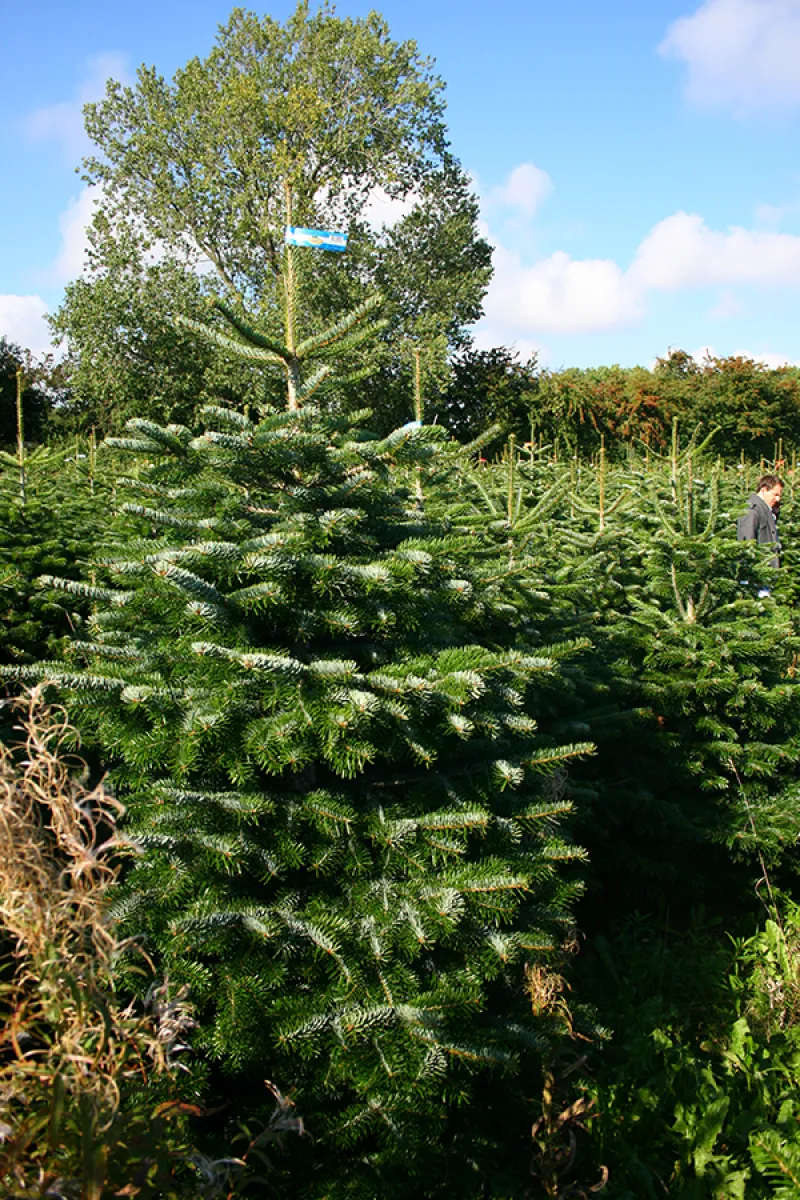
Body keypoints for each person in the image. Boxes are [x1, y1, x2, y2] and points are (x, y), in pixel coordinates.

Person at [737, 474, 783, 568]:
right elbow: (746, 544)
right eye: (775, 494)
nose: (778, 499)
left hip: (768, 573)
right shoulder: (751, 511)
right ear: (763, 490)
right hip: (758, 575)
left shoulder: (767, 510)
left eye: (779, 495)